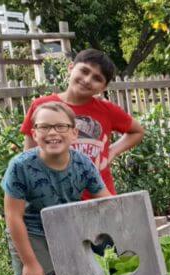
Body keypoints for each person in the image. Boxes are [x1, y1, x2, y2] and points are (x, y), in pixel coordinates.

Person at [4, 102, 112, 275]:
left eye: (60, 126)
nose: (52, 132)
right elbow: (13, 217)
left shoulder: (83, 164)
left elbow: (107, 203)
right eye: (44, 127)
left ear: (74, 133)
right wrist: (30, 263)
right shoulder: (20, 166)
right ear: (34, 134)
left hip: (68, 229)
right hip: (31, 233)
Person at [21, 49, 145, 199]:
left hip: (100, 197)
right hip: (55, 198)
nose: (87, 80)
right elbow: (28, 154)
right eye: (84, 71)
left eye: (97, 78)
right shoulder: (41, 106)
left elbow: (137, 131)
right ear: (71, 68)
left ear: (103, 87)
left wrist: (113, 151)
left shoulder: (107, 110)